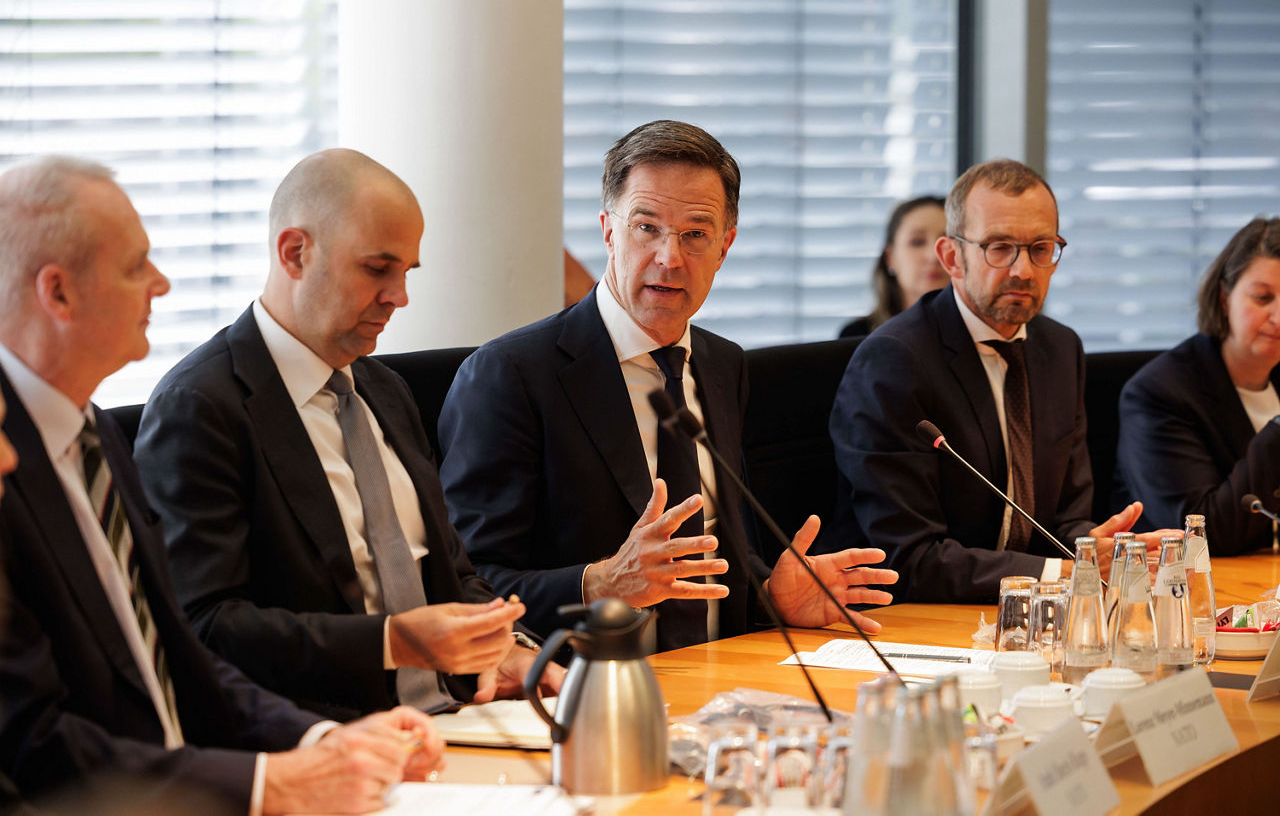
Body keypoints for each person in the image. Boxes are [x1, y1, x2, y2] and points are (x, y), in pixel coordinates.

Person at [0, 156, 443, 813]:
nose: (162, 284)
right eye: (135, 267)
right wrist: (270, 784)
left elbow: (178, 660)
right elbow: (28, 740)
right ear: (58, 294)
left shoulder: (90, 434)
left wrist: (318, 741)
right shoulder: (20, 456)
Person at [134, 149, 562, 721]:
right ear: (294, 253)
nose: (399, 297)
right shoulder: (201, 407)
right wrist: (392, 642)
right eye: (376, 268)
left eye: (406, 273)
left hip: (458, 719)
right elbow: (203, 627)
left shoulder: (384, 390)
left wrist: (506, 648)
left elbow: (452, 572)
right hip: (321, 736)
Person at [437, 120, 897, 650]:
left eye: (695, 234)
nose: (669, 258)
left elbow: (712, 550)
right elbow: (466, 587)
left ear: (724, 247)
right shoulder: (511, 375)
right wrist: (599, 584)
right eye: (646, 227)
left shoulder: (723, 364)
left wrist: (770, 592)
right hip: (590, 687)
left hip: (723, 679)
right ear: (609, 230)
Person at [823, 158, 1165, 603]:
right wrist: (1063, 571)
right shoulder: (894, 361)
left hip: (1024, 613)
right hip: (907, 620)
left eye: (1041, 248)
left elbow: (1066, 517)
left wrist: (1095, 550)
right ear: (952, 257)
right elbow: (906, 558)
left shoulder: (1059, 349)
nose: (1023, 269)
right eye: (999, 247)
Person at [1115, 217, 1280, 552]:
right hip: (1185, 591)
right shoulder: (1159, 393)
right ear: (1224, 297)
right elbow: (1201, 536)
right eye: (1263, 298)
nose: (1279, 316)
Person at [839, 195, 948, 337]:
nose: (934, 256)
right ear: (890, 258)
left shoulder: (978, 336)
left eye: (947, 241)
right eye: (917, 242)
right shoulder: (857, 336)